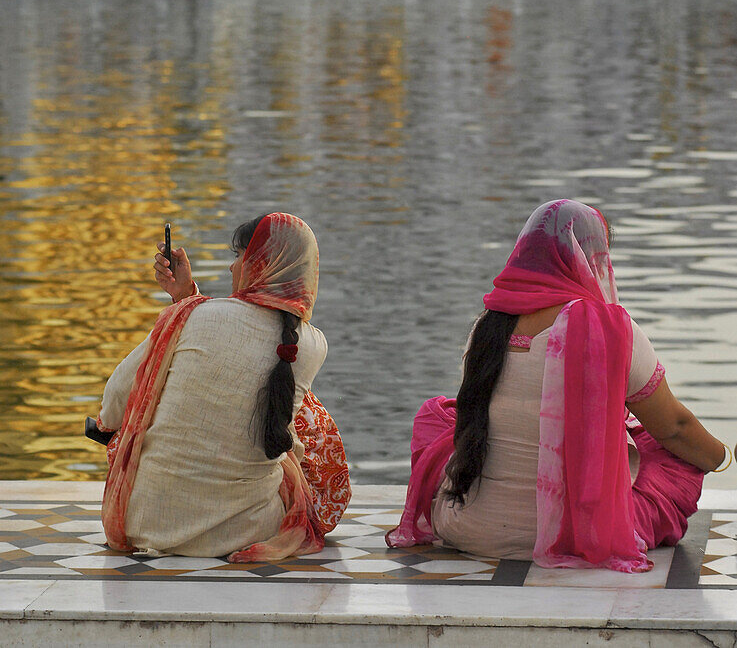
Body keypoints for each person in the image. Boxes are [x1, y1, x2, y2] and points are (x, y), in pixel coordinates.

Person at [387, 200, 728, 571]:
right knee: (671, 451)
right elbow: (676, 427)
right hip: (573, 536)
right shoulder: (610, 329)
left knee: (444, 416)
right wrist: (722, 457)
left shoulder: (488, 325)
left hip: (463, 526)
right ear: (590, 259)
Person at [96, 212, 351, 560]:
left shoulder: (194, 315)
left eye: (238, 257)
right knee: (305, 415)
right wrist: (187, 297)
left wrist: (108, 430)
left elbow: (116, 397)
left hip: (146, 523)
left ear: (259, 264)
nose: (232, 269)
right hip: (251, 530)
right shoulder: (313, 345)